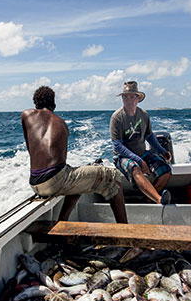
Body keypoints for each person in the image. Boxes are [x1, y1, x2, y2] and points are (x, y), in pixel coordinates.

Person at [22, 86, 128, 223]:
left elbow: (31, 149)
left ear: (35, 103)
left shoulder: (26, 115)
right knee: (114, 177)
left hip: (35, 182)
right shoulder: (61, 123)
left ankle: (63, 220)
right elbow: (61, 161)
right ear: (54, 104)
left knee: (78, 175)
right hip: (54, 182)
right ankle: (124, 227)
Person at [110, 81, 172, 205]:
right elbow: (118, 145)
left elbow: (149, 136)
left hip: (142, 153)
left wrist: (162, 151)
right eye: (125, 97)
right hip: (122, 157)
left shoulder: (143, 114)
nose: (128, 100)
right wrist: (139, 160)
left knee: (166, 171)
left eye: (132, 96)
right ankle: (159, 199)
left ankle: (149, 198)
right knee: (135, 168)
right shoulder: (117, 117)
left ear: (138, 99)